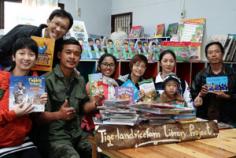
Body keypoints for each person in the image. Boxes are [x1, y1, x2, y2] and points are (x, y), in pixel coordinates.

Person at [45, 38, 96, 158]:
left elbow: (83, 107)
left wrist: (95, 103)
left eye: (77, 54)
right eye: (68, 52)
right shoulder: (46, 80)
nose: (72, 57)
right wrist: (59, 115)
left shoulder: (80, 80)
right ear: (59, 55)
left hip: (78, 133)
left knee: (102, 151)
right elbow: (38, 118)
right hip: (56, 137)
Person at [0, 37, 47, 158]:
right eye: (21, 53)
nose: (26, 58)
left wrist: (40, 104)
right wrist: (13, 113)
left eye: (31, 54)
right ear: (13, 57)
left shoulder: (35, 82)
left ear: (36, 59)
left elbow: (34, 118)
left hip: (22, 140)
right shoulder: (1, 79)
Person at [0, 9, 73, 69]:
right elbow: (1, 49)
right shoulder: (23, 32)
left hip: (38, 81)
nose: (58, 29)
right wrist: (18, 63)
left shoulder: (61, 45)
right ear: (48, 22)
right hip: (13, 73)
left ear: (66, 31)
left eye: (63, 28)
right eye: (56, 24)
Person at [191, 41, 236, 125]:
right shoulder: (201, 75)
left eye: (217, 51)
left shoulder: (233, 73)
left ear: (222, 54)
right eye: (210, 52)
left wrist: (227, 96)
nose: (214, 55)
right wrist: (201, 94)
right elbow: (193, 95)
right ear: (207, 56)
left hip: (229, 119)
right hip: (205, 119)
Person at [82, 53, 118, 132]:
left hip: (114, 122)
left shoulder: (116, 84)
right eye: (105, 64)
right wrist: (97, 102)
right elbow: (87, 109)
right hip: (96, 125)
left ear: (115, 67)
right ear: (99, 66)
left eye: (111, 65)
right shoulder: (95, 81)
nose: (108, 67)